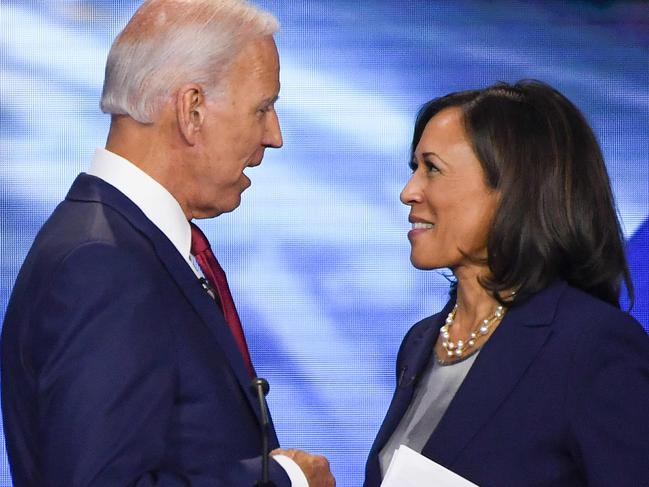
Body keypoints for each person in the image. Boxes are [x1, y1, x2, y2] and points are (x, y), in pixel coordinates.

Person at [1, 1, 335, 486]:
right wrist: (283, 480)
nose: (274, 135)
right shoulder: (104, 264)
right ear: (191, 109)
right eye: (262, 108)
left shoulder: (127, 243)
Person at [364, 80, 649, 486]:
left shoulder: (592, 347)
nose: (409, 192)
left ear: (513, 189)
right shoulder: (421, 341)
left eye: (432, 168)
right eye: (414, 169)